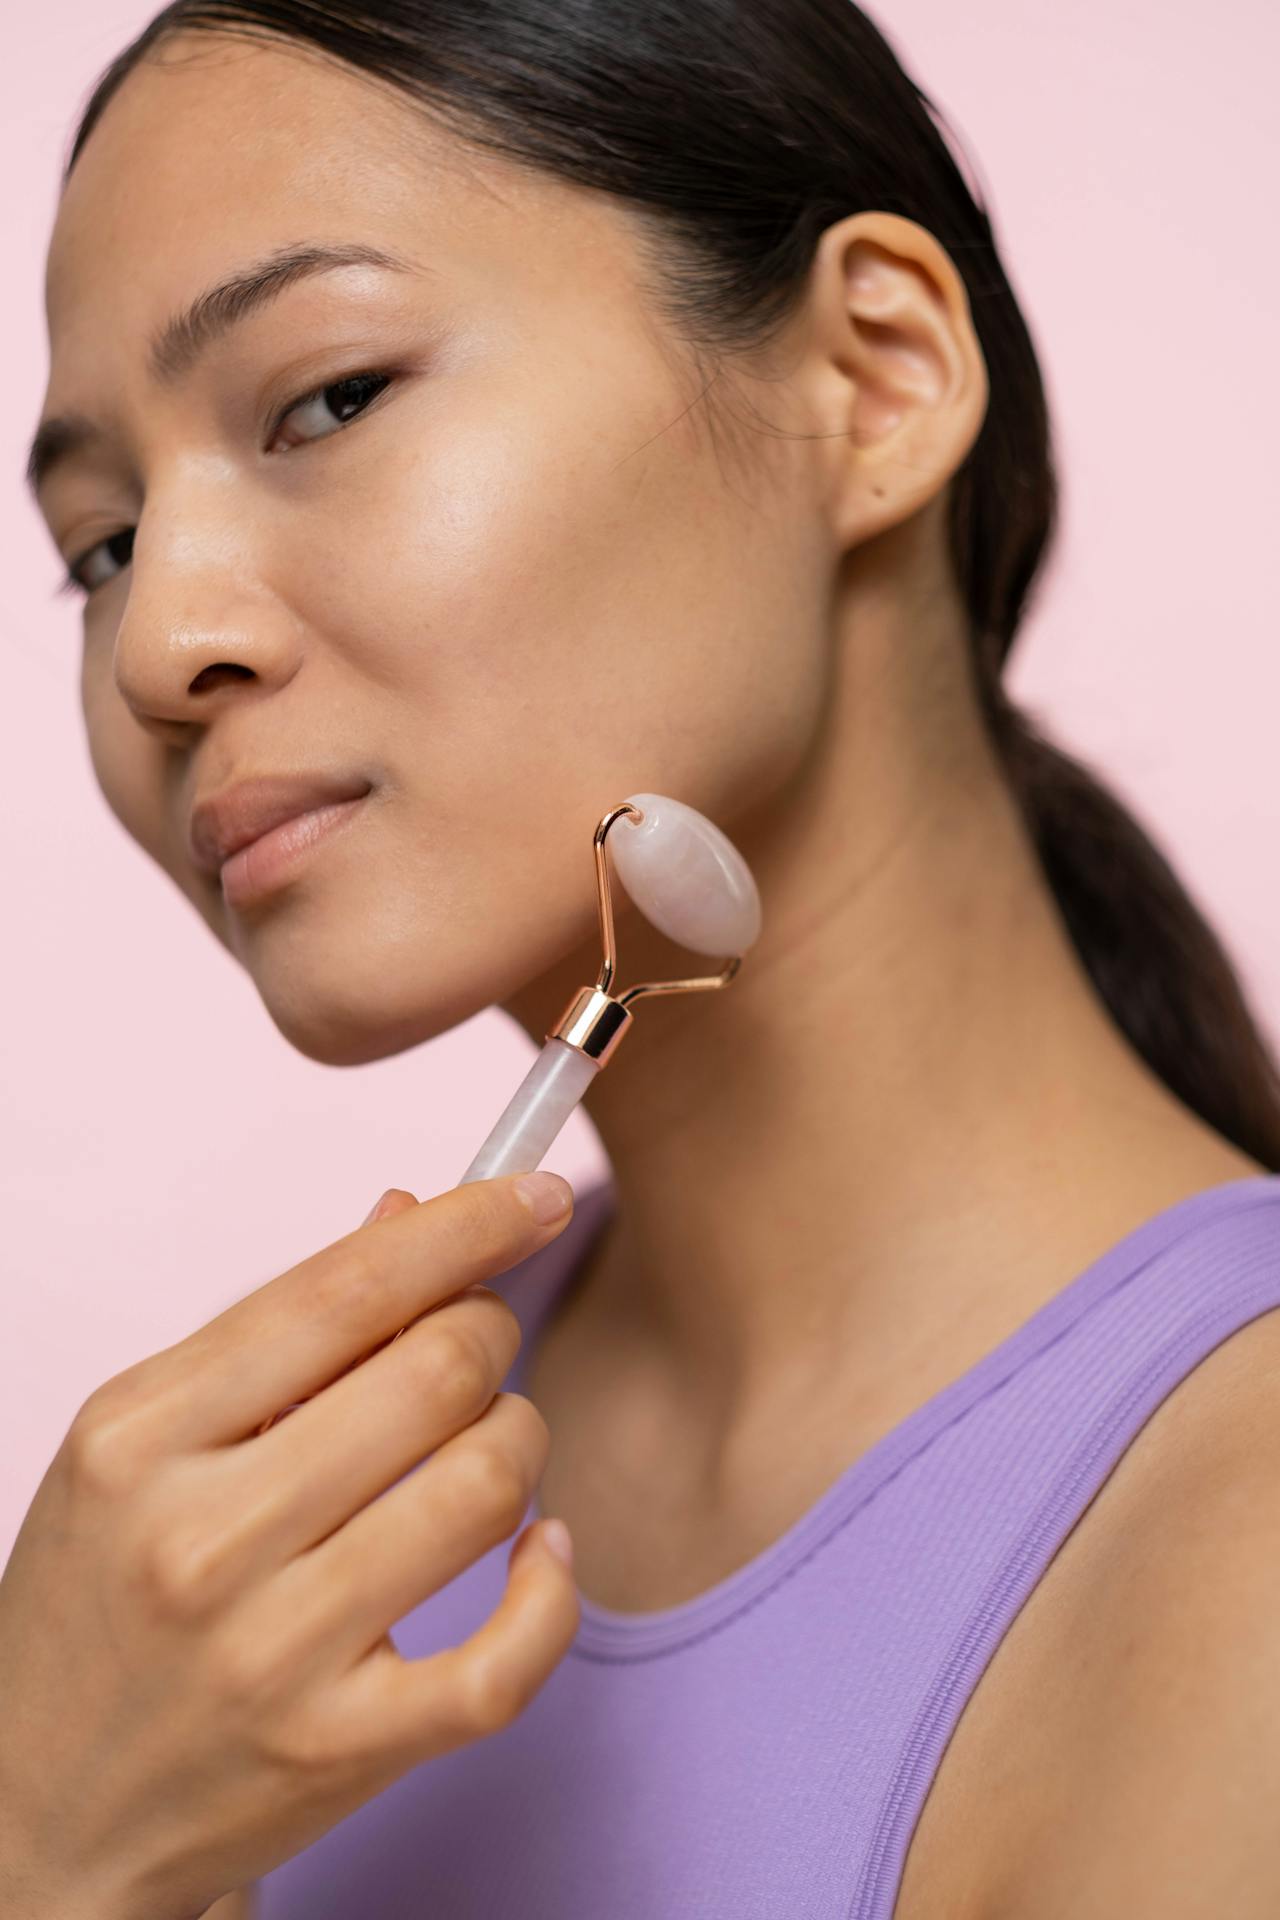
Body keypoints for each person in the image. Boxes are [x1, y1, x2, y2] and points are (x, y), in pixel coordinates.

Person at [7, 1, 1280, 1914]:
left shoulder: (1238, 1557)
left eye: (330, 399)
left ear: (874, 377)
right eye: (102, 544)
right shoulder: (268, 1568)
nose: (158, 645)